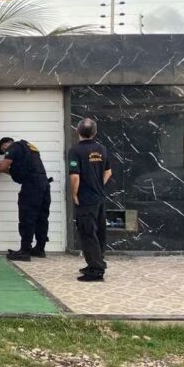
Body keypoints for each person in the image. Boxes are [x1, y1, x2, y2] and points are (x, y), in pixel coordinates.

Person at [68, 118, 112, 282]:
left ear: (77, 131)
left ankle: (96, 270)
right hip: (99, 197)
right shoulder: (102, 149)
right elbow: (108, 172)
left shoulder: (75, 150)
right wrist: (98, 184)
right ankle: (97, 262)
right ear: (95, 132)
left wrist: (74, 194)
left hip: (85, 199)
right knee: (99, 232)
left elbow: (75, 176)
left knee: (87, 233)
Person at [0, 136, 51, 261]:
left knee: (27, 217)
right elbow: (22, 169)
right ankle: (40, 249)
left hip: (31, 185)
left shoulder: (13, 147)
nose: (4, 152)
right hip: (44, 184)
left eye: (3, 151)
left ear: (4, 146)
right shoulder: (30, 147)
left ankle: (24, 251)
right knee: (41, 218)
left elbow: (3, 167)